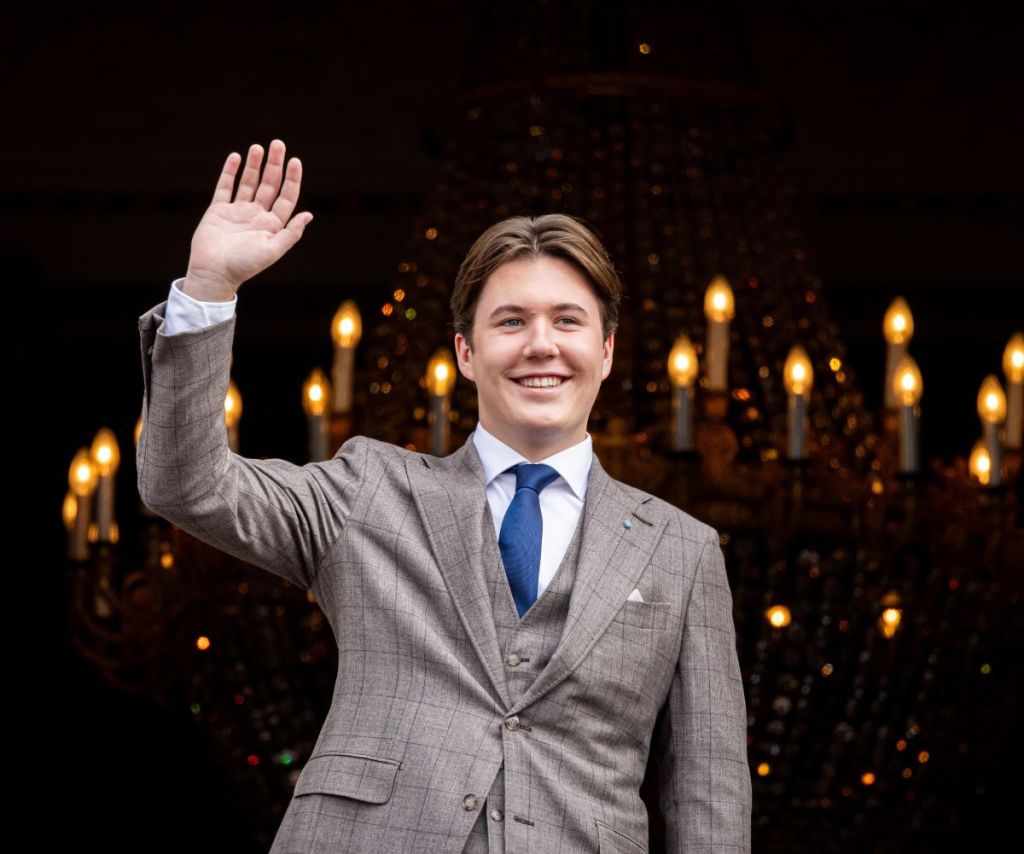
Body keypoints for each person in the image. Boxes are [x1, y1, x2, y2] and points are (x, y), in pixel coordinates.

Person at [137, 140, 752, 853]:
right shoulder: (369, 490)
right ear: (465, 351)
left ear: (607, 351)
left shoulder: (682, 550)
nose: (541, 345)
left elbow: (708, 792)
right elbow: (187, 484)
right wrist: (210, 287)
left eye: (568, 320)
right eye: (511, 321)